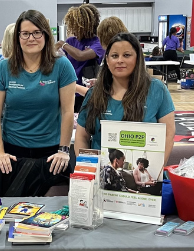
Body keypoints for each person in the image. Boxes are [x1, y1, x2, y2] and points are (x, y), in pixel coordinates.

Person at [0, 10, 76, 196]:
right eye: (25, 33)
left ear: (46, 35)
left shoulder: (62, 66)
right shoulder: (4, 68)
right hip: (13, 152)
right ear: (17, 37)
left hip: (52, 154)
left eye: (37, 32)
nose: (31, 38)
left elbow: (68, 111)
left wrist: (64, 150)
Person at [75, 33, 175, 165]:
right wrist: (88, 169)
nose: (119, 60)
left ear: (137, 58)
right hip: (101, 177)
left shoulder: (157, 89)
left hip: (146, 179)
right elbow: (82, 137)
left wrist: (156, 170)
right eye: (114, 56)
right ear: (107, 59)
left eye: (126, 55)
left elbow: (169, 134)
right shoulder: (94, 93)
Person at [55, 4, 105, 112]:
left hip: (88, 93)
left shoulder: (98, 43)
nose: (73, 30)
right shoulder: (71, 41)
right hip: (69, 91)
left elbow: (81, 56)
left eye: (76, 27)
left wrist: (62, 44)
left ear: (85, 26)